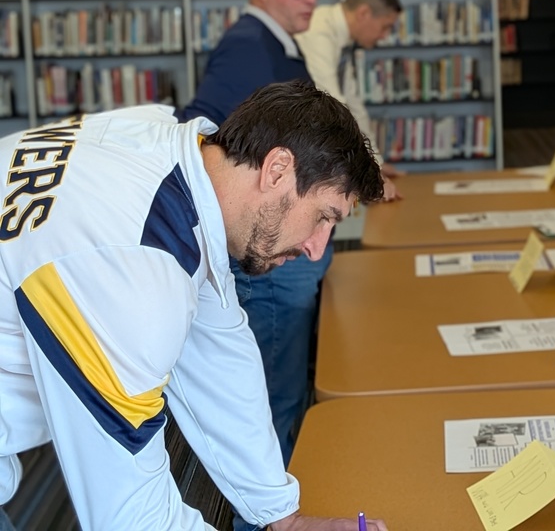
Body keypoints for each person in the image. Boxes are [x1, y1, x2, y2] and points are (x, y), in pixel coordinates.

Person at [0, 80, 387, 531]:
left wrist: (283, 519)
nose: (318, 248)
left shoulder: (165, 148)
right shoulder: (131, 270)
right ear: (277, 169)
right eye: (324, 216)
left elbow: (219, 349)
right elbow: (129, 517)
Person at [180, 0, 332, 477]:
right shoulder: (249, 45)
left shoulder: (278, 44)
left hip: (286, 241)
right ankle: (269, 509)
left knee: (283, 388)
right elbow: (201, 123)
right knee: (273, 397)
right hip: (268, 250)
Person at [296, 0, 403, 201]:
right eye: (384, 26)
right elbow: (334, 103)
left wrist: (377, 163)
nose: (384, 36)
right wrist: (370, 173)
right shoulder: (319, 31)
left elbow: (353, 104)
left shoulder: (344, 41)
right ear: (363, 13)